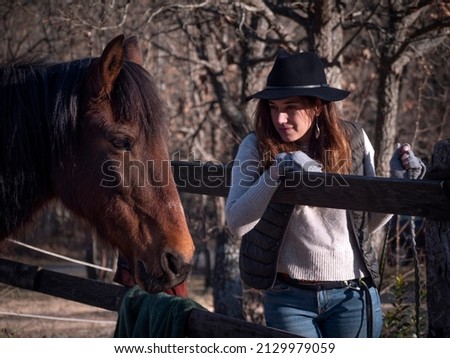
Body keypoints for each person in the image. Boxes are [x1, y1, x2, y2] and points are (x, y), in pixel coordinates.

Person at [225, 50, 425, 338]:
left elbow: (364, 224)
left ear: (317, 106)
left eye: (291, 107)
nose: (280, 118)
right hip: (288, 299)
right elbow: (236, 222)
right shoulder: (256, 146)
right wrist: (274, 173)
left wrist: (398, 181)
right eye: (272, 106)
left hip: (352, 296)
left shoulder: (353, 140)